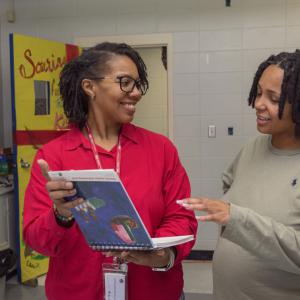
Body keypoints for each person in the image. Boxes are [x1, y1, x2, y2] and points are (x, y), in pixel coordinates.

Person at [23, 42, 197, 300]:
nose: (136, 92)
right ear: (89, 86)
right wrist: (60, 215)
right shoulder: (54, 156)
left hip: (153, 291)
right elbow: (36, 239)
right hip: (78, 292)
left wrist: (162, 255)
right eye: (125, 82)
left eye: (138, 84)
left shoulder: (160, 149)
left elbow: (181, 216)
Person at [177, 50, 300, 299]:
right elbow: (231, 184)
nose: (257, 104)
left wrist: (238, 218)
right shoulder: (253, 148)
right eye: (258, 93)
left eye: (273, 98)